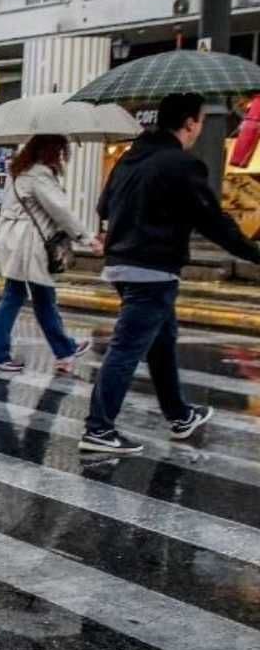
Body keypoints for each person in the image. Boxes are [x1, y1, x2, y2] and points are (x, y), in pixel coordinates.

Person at [82, 92, 260, 455]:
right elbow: (213, 221)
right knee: (126, 347)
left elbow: (104, 206)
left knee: (162, 341)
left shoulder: (130, 158)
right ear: (190, 123)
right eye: (201, 121)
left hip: (122, 263)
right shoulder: (181, 164)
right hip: (153, 268)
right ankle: (98, 429)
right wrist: (253, 253)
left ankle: (180, 415)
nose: (200, 129)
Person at [0, 135, 99, 374]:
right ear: (50, 151)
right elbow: (61, 211)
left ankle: (64, 350)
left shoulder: (19, 172)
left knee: (39, 297)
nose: (62, 157)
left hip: (14, 239)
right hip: (29, 244)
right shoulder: (39, 175)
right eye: (61, 152)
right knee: (18, 297)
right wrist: (87, 238)